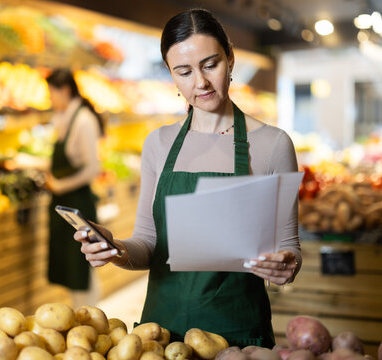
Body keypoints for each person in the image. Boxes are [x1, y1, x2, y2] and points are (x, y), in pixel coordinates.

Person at [74, 9, 301, 348]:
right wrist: (115, 248)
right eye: (184, 71)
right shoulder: (159, 143)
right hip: (159, 338)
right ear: (171, 75)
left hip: (238, 339)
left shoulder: (272, 144)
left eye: (211, 64)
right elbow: (148, 245)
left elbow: (289, 249)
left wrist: (286, 265)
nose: (201, 83)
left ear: (231, 58)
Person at [45, 68, 104, 307]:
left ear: (65, 90)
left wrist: (59, 185)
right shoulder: (65, 118)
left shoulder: (83, 121)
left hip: (78, 205)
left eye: (51, 93)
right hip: (65, 204)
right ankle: (80, 318)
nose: (50, 99)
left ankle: (90, 318)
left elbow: (93, 168)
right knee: (72, 270)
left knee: (83, 270)